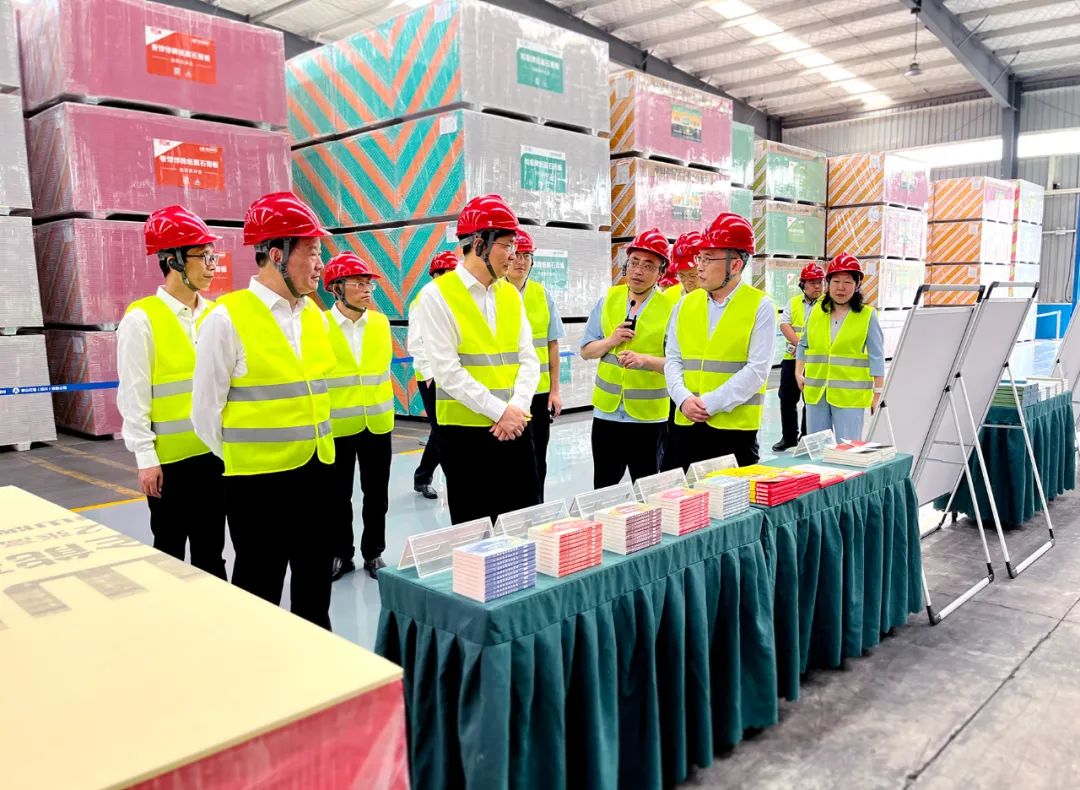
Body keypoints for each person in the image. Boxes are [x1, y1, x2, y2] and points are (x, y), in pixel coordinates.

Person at [191, 192, 337, 630]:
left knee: (315, 593)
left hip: (318, 473)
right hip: (258, 486)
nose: (320, 264)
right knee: (259, 592)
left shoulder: (315, 316)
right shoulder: (227, 319)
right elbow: (205, 413)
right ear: (277, 255)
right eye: (311, 252)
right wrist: (245, 457)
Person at [410, 194, 540, 523]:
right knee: (475, 532)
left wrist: (517, 408)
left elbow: (529, 358)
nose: (513, 255)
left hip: (515, 427)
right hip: (465, 436)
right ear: (480, 244)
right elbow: (447, 372)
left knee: (523, 524)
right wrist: (501, 412)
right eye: (507, 245)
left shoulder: (510, 293)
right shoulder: (436, 296)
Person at [117, 205, 227, 579]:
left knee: (212, 551)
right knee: (169, 552)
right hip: (169, 466)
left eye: (213, 257)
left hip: (213, 456)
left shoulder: (216, 315)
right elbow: (133, 396)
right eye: (204, 257)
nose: (212, 266)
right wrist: (145, 458)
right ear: (173, 261)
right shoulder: (141, 320)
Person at [665, 213, 776, 469]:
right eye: (700, 258)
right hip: (685, 425)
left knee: (733, 495)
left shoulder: (761, 306)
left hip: (734, 432)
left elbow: (757, 370)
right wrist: (683, 399)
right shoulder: (685, 304)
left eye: (708, 259)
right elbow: (673, 359)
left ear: (735, 265)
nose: (699, 267)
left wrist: (709, 404)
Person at [581, 228, 674, 487]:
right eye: (634, 262)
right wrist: (611, 340)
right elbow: (586, 351)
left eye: (648, 265)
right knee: (603, 489)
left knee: (648, 491)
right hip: (606, 414)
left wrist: (646, 361)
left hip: (648, 418)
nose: (638, 271)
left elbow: (678, 365)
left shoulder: (671, 310)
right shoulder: (608, 301)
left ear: (661, 272)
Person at [322, 251, 394, 581]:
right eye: (359, 283)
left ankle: (373, 552)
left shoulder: (380, 323)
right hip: (337, 426)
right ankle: (341, 553)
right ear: (337, 287)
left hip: (378, 423)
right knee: (337, 497)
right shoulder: (319, 326)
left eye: (369, 284)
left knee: (377, 494)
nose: (367, 289)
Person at [796, 253, 885, 442]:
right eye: (836, 281)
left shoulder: (867, 316)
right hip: (816, 392)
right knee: (817, 447)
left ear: (857, 285)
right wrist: (798, 372)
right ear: (828, 283)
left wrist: (878, 393)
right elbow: (804, 343)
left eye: (847, 282)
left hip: (849, 396)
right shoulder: (816, 312)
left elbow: (877, 356)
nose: (841, 287)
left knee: (847, 449)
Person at [504, 228, 565, 500]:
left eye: (527, 256)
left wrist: (555, 391)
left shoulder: (542, 295)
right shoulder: (494, 293)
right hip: (505, 393)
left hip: (538, 393)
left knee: (538, 456)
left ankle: (537, 509)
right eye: (517, 254)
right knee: (508, 458)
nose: (521, 261)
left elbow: (553, 345)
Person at [410, 250, 458, 500]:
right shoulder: (423, 300)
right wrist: (432, 374)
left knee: (446, 428)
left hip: (452, 375)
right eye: (446, 274)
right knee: (441, 430)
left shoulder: (453, 300)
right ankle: (425, 478)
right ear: (435, 275)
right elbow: (415, 343)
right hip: (431, 378)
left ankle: (424, 476)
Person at [772, 262, 825, 452]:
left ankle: (806, 438)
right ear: (803, 284)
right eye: (812, 282)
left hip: (815, 360)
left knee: (810, 400)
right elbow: (784, 324)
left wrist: (804, 349)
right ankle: (788, 438)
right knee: (787, 398)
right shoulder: (793, 302)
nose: (817, 286)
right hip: (791, 359)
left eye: (820, 282)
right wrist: (799, 345)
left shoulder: (828, 305)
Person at [663, 230, 704, 305]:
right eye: (682, 276)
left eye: (693, 276)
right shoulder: (668, 295)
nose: (687, 282)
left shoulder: (715, 299)